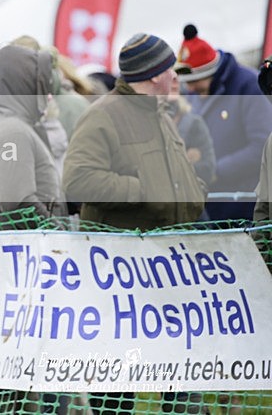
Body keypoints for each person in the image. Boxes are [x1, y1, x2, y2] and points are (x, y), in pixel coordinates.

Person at [63, 33, 206, 414]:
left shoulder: (159, 114)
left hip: (170, 275)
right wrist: (144, 189)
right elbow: (77, 182)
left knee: (181, 381)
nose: (176, 76)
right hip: (122, 282)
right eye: (170, 68)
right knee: (118, 390)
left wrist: (192, 190)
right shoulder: (103, 116)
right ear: (154, 74)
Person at [176, 24, 272, 222]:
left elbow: (261, 146)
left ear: (209, 73)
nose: (190, 88)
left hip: (243, 206)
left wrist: (213, 170)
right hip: (209, 204)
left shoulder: (249, 86)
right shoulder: (196, 92)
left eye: (195, 82)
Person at [0, 44, 67, 226]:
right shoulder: (12, 130)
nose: (48, 95)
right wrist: (54, 231)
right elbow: (18, 203)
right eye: (38, 83)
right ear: (23, 83)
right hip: (26, 249)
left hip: (7, 245)